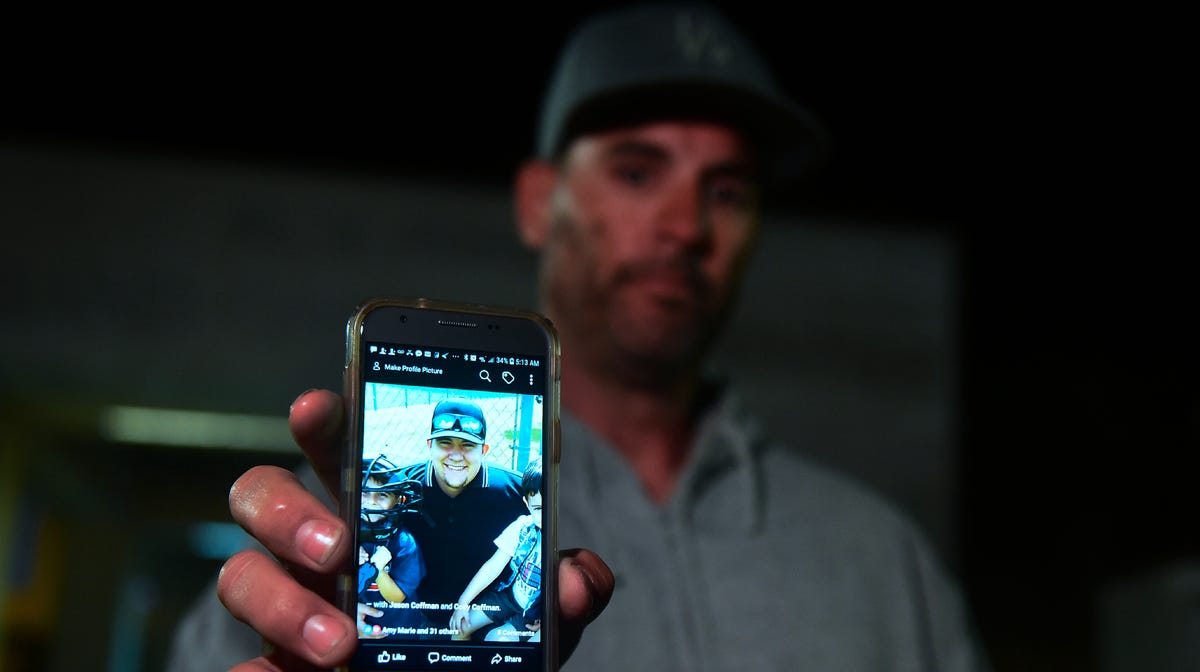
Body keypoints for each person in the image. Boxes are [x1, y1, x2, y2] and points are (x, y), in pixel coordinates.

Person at [173, 4, 988, 671]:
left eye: (729, 191)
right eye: (637, 172)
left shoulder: (883, 559)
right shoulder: (336, 540)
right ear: (538, 203)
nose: (685, 227)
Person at [395, 398, 529, 626]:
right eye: (445, 442)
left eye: (467, 445)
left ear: (484, 450)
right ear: (430, 446)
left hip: (488, 612)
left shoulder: (515, 490)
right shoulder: (402, 486)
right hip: (414, 609)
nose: (456, 455)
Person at [450, 461, 545, 642]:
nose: (546, 516)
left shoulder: (565, 538)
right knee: (458, 627)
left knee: (496, 639)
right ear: (527, 503)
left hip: (535, 611)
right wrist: (463, 602)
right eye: (539, 509)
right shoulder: (523, 528)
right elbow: (493, 567)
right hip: (510, 597)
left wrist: (549, 617)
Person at [355, 455, 426, 638]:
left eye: (383, 495)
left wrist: (379, 569)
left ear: (398, 500)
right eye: (365, 492)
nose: (371, 501)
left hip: (399, 628)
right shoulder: (347, 532)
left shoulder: (403, 542)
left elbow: (396, 598)